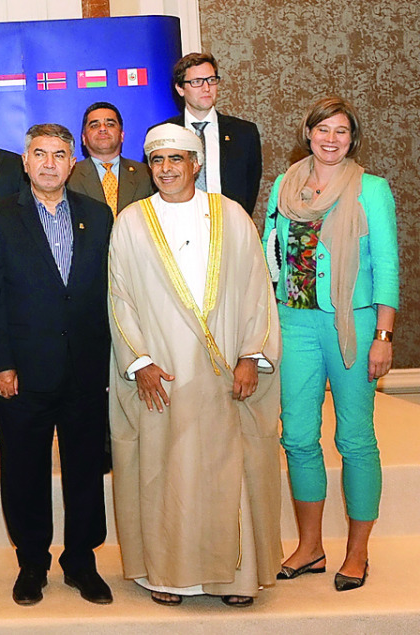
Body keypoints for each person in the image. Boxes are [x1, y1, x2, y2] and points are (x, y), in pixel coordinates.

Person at [109, 123, 282, 607]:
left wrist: (251, 356)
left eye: (177, 160)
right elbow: (119, 298)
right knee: (167, 474)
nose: (167, 169)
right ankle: (169, 577)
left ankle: (235, 579)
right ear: (149, 167)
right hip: (161, 376)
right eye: (158, 161)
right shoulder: (131, 221)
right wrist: (139, 361)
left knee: (229, 472)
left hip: (226, 374)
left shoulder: (231, 217)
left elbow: (256, 293)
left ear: (196, 164)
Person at [0, 123, 113, 606]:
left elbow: (108, 295)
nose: (50, 163)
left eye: (58, 154)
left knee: (85, 469)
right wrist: (0, 364)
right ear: (25, 162)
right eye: (40, 154)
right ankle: (32, 563)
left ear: (72, 163)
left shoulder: (98, 215)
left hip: (86, 370)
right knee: (25, 469)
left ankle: (81, 561)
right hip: (22, 374)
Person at [264, 97, 398, 592]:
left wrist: (383, 336)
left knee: (355, 439)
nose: (331, 138)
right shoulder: (285, 184)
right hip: (293, 323)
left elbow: (387, 267)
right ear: (308, 132)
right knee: (297, 438)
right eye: (323, 128)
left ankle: (358, 552)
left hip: (355, 326)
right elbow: (269, 254)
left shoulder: (372, 190)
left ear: (352, 138)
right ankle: (311, 546)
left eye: (342, 131)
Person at [157, 53, 262, 216]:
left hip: (228, 226)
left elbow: (250, 188)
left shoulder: (244, 133)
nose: (206, 88)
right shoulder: (163, 133)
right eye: (197, 82)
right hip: (177, 225)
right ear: (180, 88)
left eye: (211, 80)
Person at [67, 101, 153, 216]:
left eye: (110, 124)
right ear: (84, 138)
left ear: (122, 135)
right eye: (94, 125)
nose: (102, 129)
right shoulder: (69, 175)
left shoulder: (146, 174)